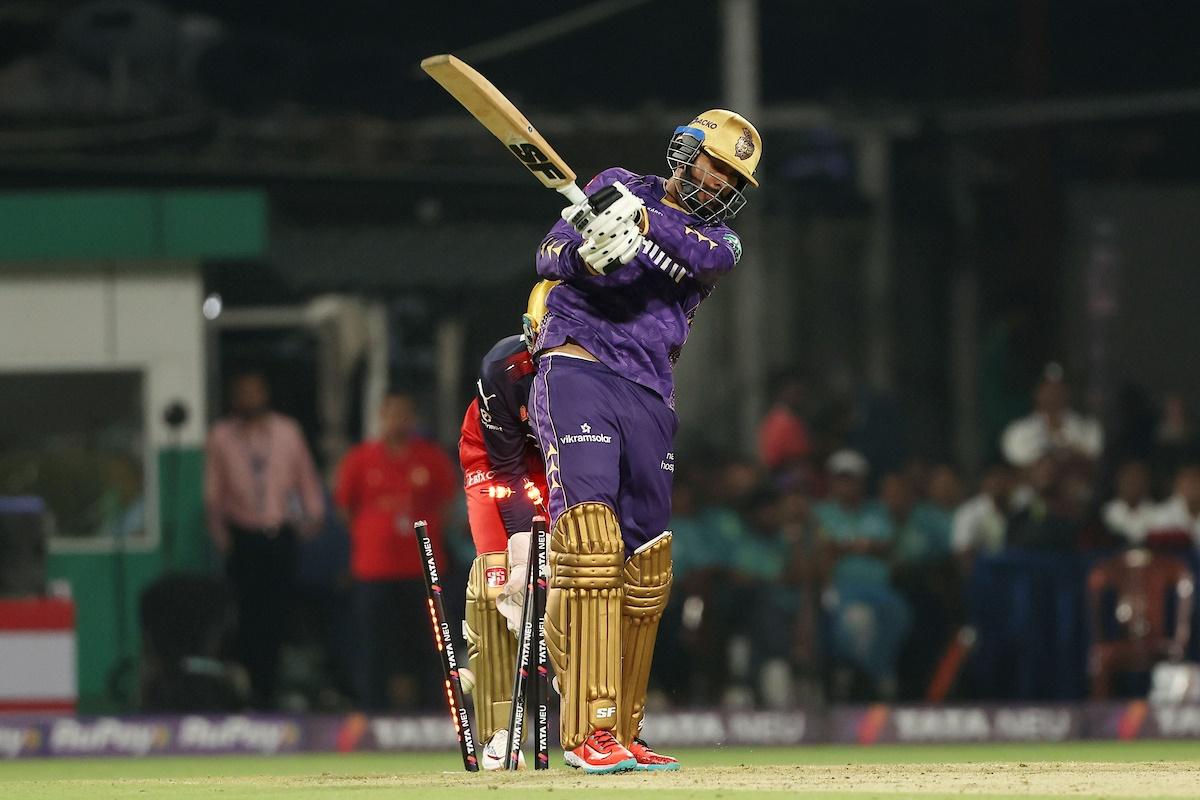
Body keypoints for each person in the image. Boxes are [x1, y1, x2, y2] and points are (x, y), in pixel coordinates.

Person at [529, 109, 761, 772]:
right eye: (715, 165)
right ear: (686, 152)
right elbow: (546, 255)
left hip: (651, 394)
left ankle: (625, 728)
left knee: (647, 569)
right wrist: (584, 249)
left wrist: (634, 222)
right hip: (579, 364)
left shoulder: (721, 242)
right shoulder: (614, 182)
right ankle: (588, 730)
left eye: (733, 178)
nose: (719, 184)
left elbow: (701, 254)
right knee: (592, 544)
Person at [457, 282, 552, 769]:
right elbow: (508, 470)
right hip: (497, 458)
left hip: (562, 458)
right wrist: (520, 551)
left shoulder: (612, 361)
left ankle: (592, 725)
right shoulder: (503, 366)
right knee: (498, 579)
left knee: (581, 574)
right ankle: (500, 731)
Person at [204, 371, 325, 708]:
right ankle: (252, 692)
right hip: (244, 538)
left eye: (254, 392)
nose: (249, 399)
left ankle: (275, 689)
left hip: (280, 536)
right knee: (246, 616)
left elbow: (305, 479)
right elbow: (213, 494)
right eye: (242, 392)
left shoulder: (287, 431)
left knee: (281, 614)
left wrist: (312, 519)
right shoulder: (221, 436)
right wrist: (223, 538)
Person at [334, 391, 456, 710]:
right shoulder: (360, 459)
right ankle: (372, 709)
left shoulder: (430, 458)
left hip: (424, 569)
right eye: (392, 414)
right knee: (373, 644)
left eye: (404, 414)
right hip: (374, 571)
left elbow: (447, 503)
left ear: (413, 419)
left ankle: (435, 709)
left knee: (431, 644)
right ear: (380, 417)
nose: (398, 421)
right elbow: (345, 508)